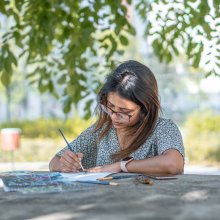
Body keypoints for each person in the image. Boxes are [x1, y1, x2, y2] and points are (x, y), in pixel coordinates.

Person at [49, 60, 184, 175]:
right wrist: (66, 164)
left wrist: (121, 166)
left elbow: (174, 164)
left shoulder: (162, 128)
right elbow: (54, 163)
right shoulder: (102, 131)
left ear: (145, 108)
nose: (114, 117)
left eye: (124, 112)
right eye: (110, 107)